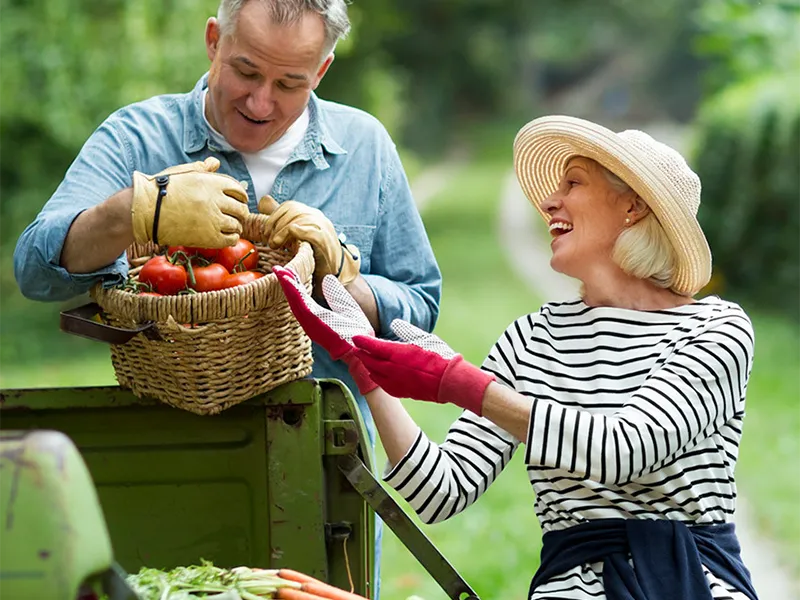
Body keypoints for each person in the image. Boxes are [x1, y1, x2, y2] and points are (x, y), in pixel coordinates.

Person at [13, 1, 442, 596]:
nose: (261, 102)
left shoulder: (364, 148)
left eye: (290, 83)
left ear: (321, 72)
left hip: (323, 464)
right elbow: (35, 268)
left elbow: (420, 307)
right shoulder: (138, 137)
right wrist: (133, 209)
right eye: (246, 71)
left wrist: (347, 284)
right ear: (214, 40)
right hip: (172, 460)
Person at [272, 115, 760, 600]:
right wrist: (364, 369)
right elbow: (441, 492)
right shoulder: (533, 338)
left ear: (632, 206)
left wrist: (464, 385)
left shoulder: (716, 329)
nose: (549, 201)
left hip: (697, 581)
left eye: (574, 183)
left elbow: (626, 449)